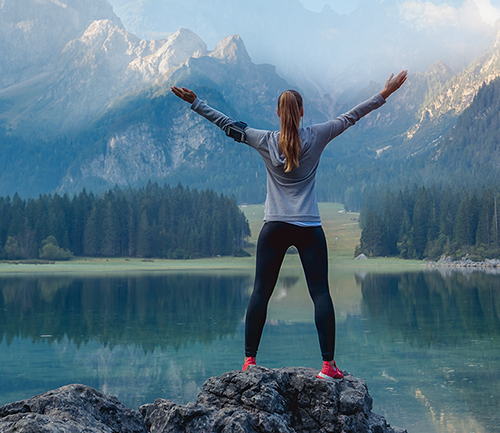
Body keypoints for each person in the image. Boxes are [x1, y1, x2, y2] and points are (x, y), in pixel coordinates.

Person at [171, 70, 407, 381]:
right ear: (302, 111)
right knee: (320, 293)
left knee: (261, 292)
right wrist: (384, 93)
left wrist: (197, 102)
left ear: (278, 113)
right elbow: (352, 116)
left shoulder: (264, 140)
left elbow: (227, 124)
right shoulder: (318, 134)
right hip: (308, 227)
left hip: (274, 227)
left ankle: (249, 362)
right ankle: (327, 367)